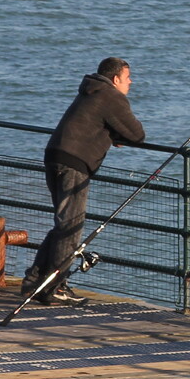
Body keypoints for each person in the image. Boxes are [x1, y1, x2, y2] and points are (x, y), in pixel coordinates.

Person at [20, 57, 145, 304]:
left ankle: (35, 281)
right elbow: (137, 135)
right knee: (71, 228)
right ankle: (54, 287)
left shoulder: (90, 91)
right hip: (74, 164)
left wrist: (111, 132)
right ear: (116, 78)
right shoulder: (111, 96)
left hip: (55, 155)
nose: (131, 82)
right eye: (128, 77)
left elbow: (101, 123)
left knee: (63, 224)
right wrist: (116, 133)